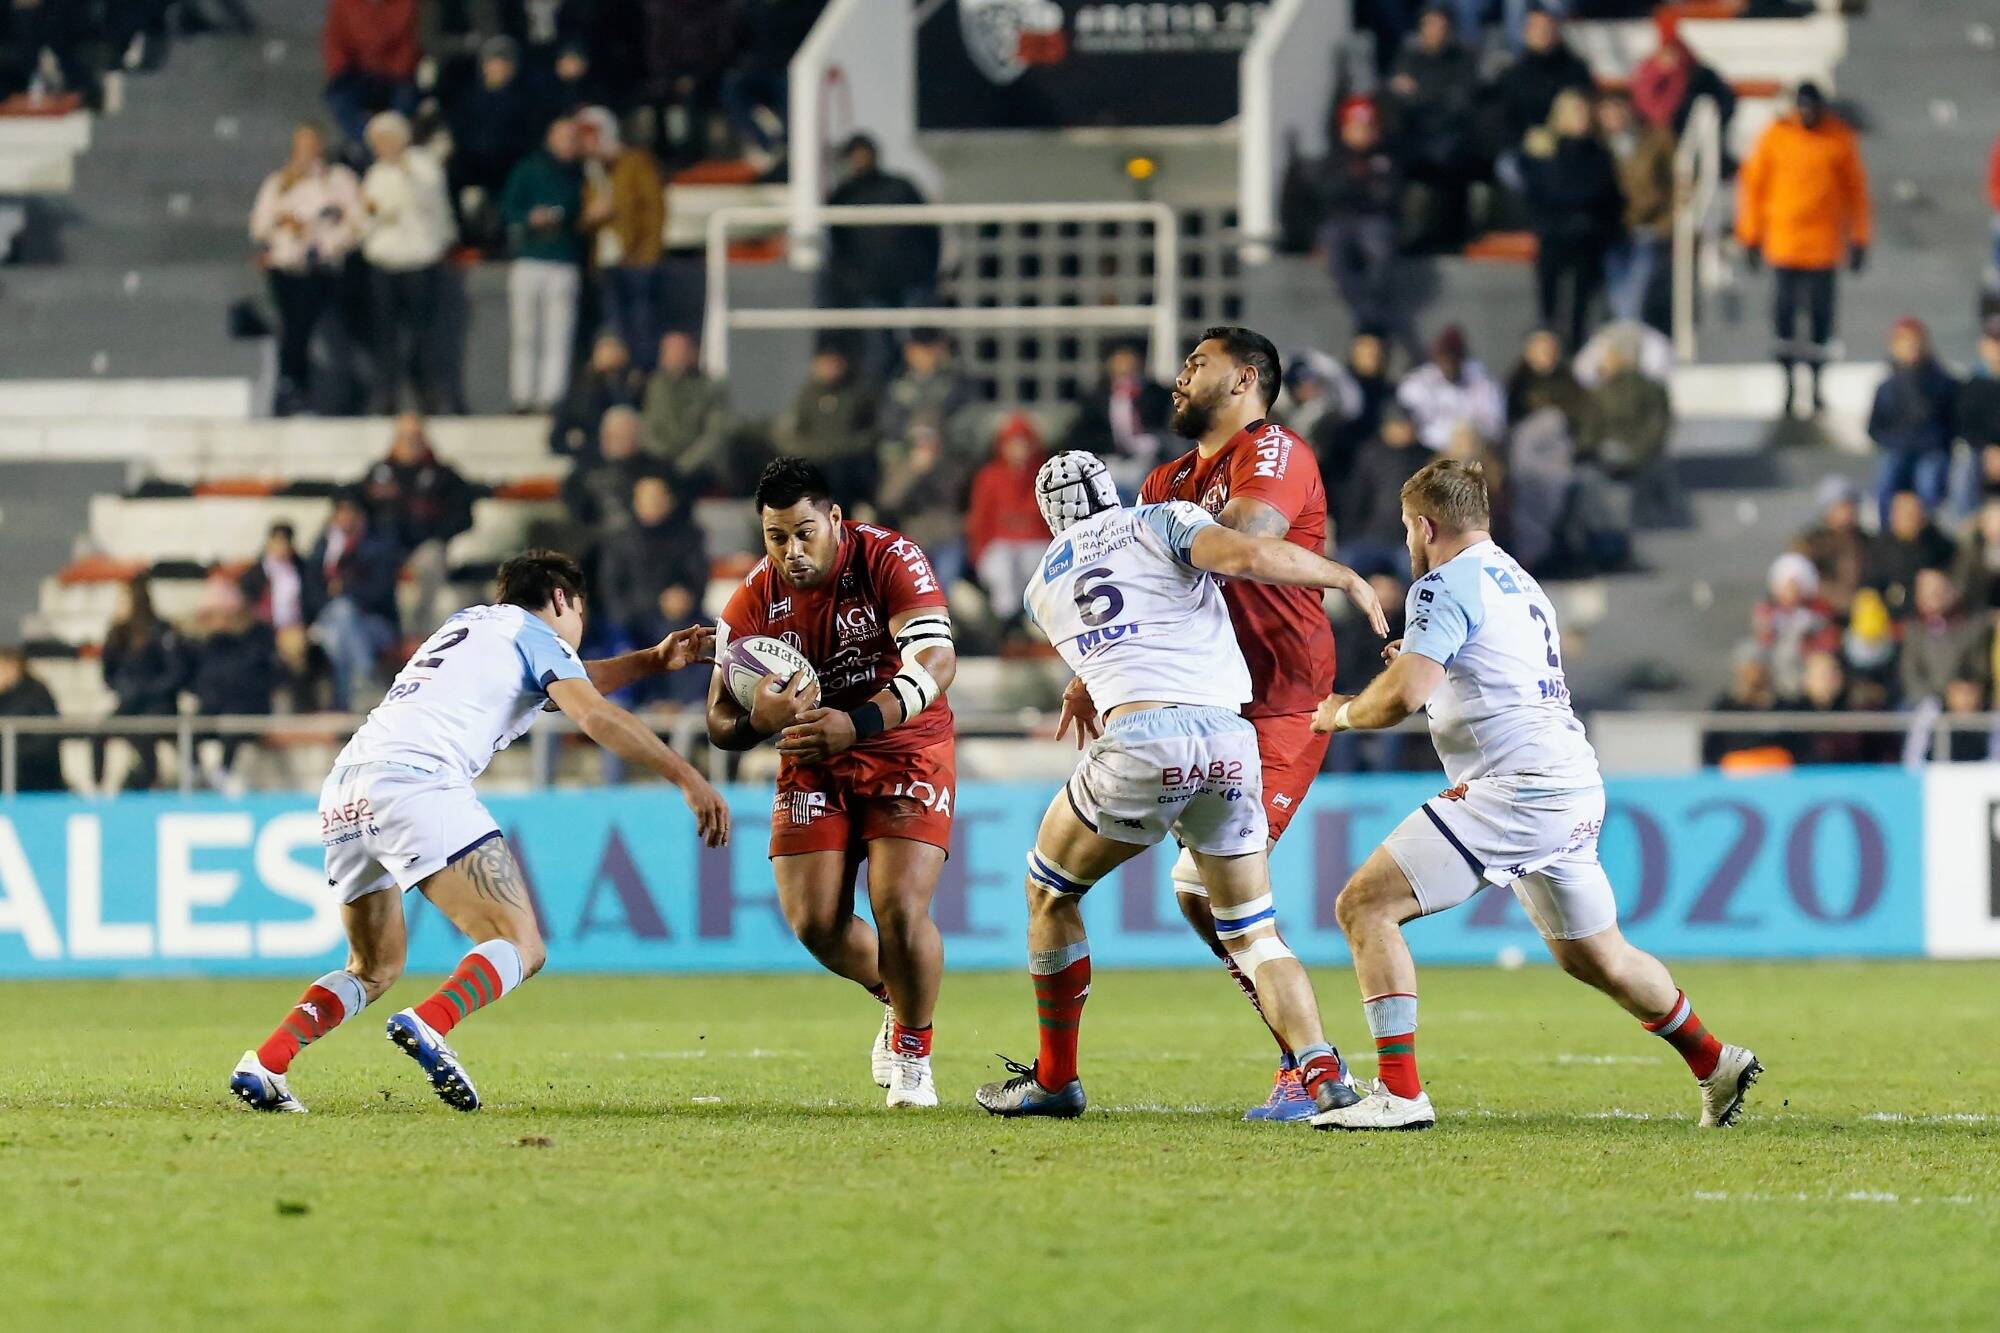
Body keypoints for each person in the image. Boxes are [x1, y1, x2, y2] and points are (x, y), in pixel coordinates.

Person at [1311, 457, 1761, 1130]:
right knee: (1594, 954)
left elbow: (1403, 697)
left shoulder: (1440, 585)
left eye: (1409, 529)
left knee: (1364, 904)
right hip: (1570, 780)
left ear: (1426, 526)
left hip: (1514, 787)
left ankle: (1400, 1092)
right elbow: (1483, 668)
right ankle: (1714, 1060)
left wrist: (1339, 712)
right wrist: (1424, 655)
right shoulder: (1517, 580)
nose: (1407, 542)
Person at [228, 551, 727, 1114]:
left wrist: (652, 661)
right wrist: (687, 775)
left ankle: (266, 1064)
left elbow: (563, 685)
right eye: (578, 612)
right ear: (562, 599)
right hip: (415, 784)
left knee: (373, 966)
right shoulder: (534, 632)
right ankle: (430, 1022)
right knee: (521, 945)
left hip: (345, 790)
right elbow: (591, 714)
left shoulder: (468, 625)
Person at [976, 450, 1383, 1119]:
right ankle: (1324, 1074)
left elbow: (1120, 630)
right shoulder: (1162, 517)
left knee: (1049, 890)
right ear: (1112, 491)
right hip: (1228, 738)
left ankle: (1055, 1078)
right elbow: (1249, 556)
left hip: (1139, 739)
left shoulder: (1040, 583)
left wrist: (1083, 686)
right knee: (1255, 933)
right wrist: (1340, 575)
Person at [1060, 326, 1382, 1121]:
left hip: (1280, 699)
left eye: (1197, 363)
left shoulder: (1273, 451)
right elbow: (1137, 585)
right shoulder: (1167, 477)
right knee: (1201, 895)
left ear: (1245, 379)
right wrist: (1085, 674)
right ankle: (1307, 1062)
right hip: (1207, 702)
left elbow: (1239, 543)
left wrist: (1334, 572)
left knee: (1211, 887)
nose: (1178, 376)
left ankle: (1312, 1068)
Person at [704, 459, 961, 1109]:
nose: (791, 551)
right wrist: (756, 719)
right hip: (814, 754)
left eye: (804, 532)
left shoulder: (889, 559)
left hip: (903, 745)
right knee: (816, 922)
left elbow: (937, 657)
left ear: (836, 520)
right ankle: (895, 996)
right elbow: (718, 716)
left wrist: (860, 721)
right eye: (776, 536)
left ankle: (913, 1050)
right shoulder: (752, 598)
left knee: (898, 906)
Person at [1734, 83, 1871, 420]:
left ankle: (1817, 384)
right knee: (1784, 320)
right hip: (1784, 246)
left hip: (1823, 248)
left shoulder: (1838, 139)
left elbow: (1857, 192)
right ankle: (1788, 385)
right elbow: (1754, 187)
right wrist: (1750, 236)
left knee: (1820, 321)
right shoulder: (1776, 137)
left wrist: (1860, 239)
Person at [249, 124, 363, 416]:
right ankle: (292, 387)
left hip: (319, 267)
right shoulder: (279, 182)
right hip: (285, 266)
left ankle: (296, 386)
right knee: (291, 328)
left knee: (302, 327)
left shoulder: (338, 180)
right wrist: (285, 223)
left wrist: (321, 241)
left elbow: (354, 224)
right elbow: (259, 226)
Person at [360, 111, 462, 415]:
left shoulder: (422, 165)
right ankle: (386, 396)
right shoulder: (376, 173)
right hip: (385, 263)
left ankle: (429, 394)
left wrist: (405, 171)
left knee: (424, 335)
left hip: (420, 261)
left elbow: (431, 201)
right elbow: (366, 215)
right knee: (385, 337)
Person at [821, 133, 941, 378]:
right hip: (871, 289)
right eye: (855, 154)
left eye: (864, 153)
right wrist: (855, 281)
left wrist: (928, 271)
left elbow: (930, 232)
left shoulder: (901, 188)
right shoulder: (843, 197)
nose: (860, 159)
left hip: (912, 282)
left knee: (921, 349)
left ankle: (916, 400)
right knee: (879, 352)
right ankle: (883, 407)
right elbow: (836, 248)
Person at [1521, 89, 1623, 355]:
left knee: (1581, 308)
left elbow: (1602, 193)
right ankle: (1547, 356)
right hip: (1554, 236)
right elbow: (1544, 193)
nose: (1582, 118)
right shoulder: (1544, 152)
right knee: (1548, 308)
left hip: (1587, 240)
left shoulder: (1598, 154)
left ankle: (1575, 355)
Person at [596, 476, 710, 705]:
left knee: (707, 636)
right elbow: (610, 591)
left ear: (670, 500)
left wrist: (685, 596)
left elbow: (697, 579)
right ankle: (654, 700)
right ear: (635, 501)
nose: (653, 503)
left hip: (680, 616)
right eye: (647, 498)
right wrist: (653, 603)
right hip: (632, 619)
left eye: (659, 497)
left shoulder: (689, 536)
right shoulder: (618, 541)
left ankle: (688, 705)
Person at [500, 117, 586, 413]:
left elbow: (581, 211)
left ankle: (552, 396)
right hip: (529, 258)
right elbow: (508, 208)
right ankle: (523, 395)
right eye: (563, 138)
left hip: (563, 259)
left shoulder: (580, 173)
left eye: (573, 139)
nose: (568, 145)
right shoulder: (529, 169)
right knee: (525, 332)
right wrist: (529, 218)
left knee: (559, 332)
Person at [576, 107, 667, 371]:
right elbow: (582, 216)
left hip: (637, 258)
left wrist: (648, 253)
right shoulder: (588, 172)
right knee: (613, 328)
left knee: (642, 325)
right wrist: (590, 217)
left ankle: (642, 379)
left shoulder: (634, 163)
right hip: (604, 261)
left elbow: (653, 209)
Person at [1384, 6, 1480, 252]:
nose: (1435, 31)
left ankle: (1451, 237)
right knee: (1391, 161)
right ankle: (1402, 234)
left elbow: (1461, 101)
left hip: (1451, 136)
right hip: (1413, 135)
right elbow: (1396, 96)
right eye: (1430, 25)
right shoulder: (1408, 55)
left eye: (1440, 25)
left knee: (1452, 161)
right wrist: (1431, 96)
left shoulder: (1462, 57)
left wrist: (1419, 93)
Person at [1319, 99, 1404, 338]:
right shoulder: (1335, 158)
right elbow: (1329, 194)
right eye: (1356, 128)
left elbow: (1388, 196)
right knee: (1335, 255)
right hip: (1340, 221)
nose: (1361, 134)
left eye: (1366, 128)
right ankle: (1369, 316)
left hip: (1374, 219)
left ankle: (1369, 316)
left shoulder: (1386, 158)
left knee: (1379, 251)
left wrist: (1358, 189)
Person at [311, 495, 404, 709]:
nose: (345, 519)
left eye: (350, 513)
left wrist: (345, 590)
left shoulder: (379, 546)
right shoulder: (324, 548)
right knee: (339, 622)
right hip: (331, 620)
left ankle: (342, 704)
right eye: (340, 513)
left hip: (375, 623)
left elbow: (379, 592)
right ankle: (365, 680)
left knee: (338, 631)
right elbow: (312, 593)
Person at [447, 37, 538, 248]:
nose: (497, 68)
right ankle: (463, 236)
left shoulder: (523, 100)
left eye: (503, 63)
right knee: (453, 173)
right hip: (473, 158)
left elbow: (527, 135)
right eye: (492, 63)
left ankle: (499, 238)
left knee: (510, 181)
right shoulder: (469, 97)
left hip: (507, 160)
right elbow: (460, 130)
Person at [96, 575, 185, 791]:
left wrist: (147, 689)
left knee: (144, 731)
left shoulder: (161, 631)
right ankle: (97, 786)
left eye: (123, 600)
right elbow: (108, 675)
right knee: (97, 734)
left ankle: (151, 782)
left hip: (159, 705)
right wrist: (125, 688)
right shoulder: (117, 636)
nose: (118, 606)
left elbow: (175, 672)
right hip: (130, 704)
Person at [1867, 317, 1959, 522]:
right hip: (1898, 448)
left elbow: (1952, 422)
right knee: (1886, 480)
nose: (1911, 347)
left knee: (1928, 481)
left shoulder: (1942, 383)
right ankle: (1886, 533)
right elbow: (1875, 428)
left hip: (1931, 449)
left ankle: (1928, 530)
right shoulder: (1887, 388)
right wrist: (1895, 441)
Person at [964, 413, 1049, 635]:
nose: (1019, 449)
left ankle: (1036, 629)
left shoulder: (1045, 474)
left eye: (1024, 444)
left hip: (1035, 544)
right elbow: (979, 521)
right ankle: (1008, 628)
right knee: (1003, 568)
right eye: (1013, 444)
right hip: (1000, 546)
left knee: (1037, 568)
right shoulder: (989, 476)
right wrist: (978, 553)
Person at [1597, 91, 1674, 327]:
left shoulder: (1654, 140)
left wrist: (1666, 222)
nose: (1614, 117)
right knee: (1618, 294)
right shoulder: (1596, 146)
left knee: (1634, 296)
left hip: (1648, 228)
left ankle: (1629, 345)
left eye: (1618, 109)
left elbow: (1673, 182)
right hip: (1612, 230)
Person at [1062, 341, 1174, 490]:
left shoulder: (1159, 394)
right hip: (1108, 462)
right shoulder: (1095, 397)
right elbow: (1081, 435)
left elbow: (1172, 427)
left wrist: (1155, 442)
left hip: (1152, 462)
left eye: (1130, 358)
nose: (1126, 364)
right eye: (1120, 359)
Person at [775, 345, 878, 502]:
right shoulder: (806, 395)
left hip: (848, 465)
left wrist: (849, 447)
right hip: (815, 463)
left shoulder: (857, 394)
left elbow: (872, 431)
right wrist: (811, 450)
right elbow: (792, 432)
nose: (830, 368)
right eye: (825, 363)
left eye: (834, 363)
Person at [1490, 6, 1595, 158]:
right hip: (1527, 151)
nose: (1541, 33)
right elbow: (1505, 121)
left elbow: (1586, 113)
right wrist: (1527, 140)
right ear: (1525, 33)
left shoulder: (1576, 70)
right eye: (1535, 28)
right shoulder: (1513, 75)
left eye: (1546, 27)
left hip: (1572, 149)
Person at [640, 330, 736, 489]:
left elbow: (715, 434)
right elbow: (647, 427)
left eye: (679, 351)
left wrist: (684, 464)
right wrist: (663, 458)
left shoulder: (711, 388)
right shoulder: (653, 386)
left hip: (700, 469)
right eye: (668, 351)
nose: (674, 357)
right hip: (660, 464)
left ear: (693, 353)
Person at [1340, 403, 1430, 571]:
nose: (1406, 430)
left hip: (1406, 540)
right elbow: (1356, 498)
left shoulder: (1425, 457)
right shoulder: (1370, 454)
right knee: (1345, 564)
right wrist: (1349, 534)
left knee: (1417, 572)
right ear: (1386, 427)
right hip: (1370, 536)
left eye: (1409, 425)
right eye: (1400, 424)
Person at [322, 0, 418, 151]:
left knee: (406, 98)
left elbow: (409, 43)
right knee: (339, 97)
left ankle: (394, 146)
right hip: (355, 72)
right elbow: (334, 40)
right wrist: (343, 71)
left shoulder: (406, 4)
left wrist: (395, 68)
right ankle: (371, 148)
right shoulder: (344, 4)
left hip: (394, 75)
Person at [1629, 13, 1735, 146]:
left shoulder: (1696, 73)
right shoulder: (1649, 71)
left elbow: (1723, 101)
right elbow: (1648, 102)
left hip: (1687, 132)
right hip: (1655, 128)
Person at [1398, 325, 1505, 451]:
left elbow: (1496, 427)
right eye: (1444, 358)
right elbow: (1416, 428)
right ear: (1435, 358)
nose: (1449, 364)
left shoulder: (1483, 381)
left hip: (1475, 451)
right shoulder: (1417, 384)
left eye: (1453, 358)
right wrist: (1451, 436)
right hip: (1429, 454)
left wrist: (1470, 432)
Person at [1754, 551, 1838, 700]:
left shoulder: (1817, 610)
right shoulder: (1767, 611)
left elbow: (1828, 640)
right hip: (1776, 660)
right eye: (1786, 587)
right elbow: (1762, 639)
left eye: (1794, 586)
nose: (1790, 592)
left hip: (1806, 661)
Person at [551, 332, 648, 456]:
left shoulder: (635, 385)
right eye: (603, 348)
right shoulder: (580, 390)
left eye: (613, 348)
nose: (608, 354)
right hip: (591, 456)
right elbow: (557, 439)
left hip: (631, 456)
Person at [1864, 490, 1955, 619]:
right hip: (1892, 616)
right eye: (1906, 514)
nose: (1913, 518)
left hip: (1931, 616)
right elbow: (1871, 587)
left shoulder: (1937, 543)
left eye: (1916, 513)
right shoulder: (1879, 548)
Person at [878, 329, 974, 448]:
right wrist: (913, 437)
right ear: (908, 353)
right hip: (906, 448)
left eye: (930, 351)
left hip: (944, 449)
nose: (925, 356)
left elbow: (963, 419)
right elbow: (889, 422)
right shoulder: (898, 386)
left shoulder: (954, 384)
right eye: (919, 351)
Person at [1900, 568, 1980, 708]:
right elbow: (1910, 672)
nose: (1934, 595)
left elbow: (1977, 668)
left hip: (1962, 701)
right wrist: (1929, 699)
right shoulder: (1913, 630)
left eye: (1938, 589)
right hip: (1922, 702)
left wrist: (1961, 691)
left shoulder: (1972, 626)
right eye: (1927, 591)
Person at [1794, 476, 1868, 617]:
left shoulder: (1865, 541)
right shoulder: (1811, 542)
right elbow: (1801, 579)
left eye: (1853, 505)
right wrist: (1842, 598)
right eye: (1844, 506)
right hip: (1821, 615)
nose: (1850, 511)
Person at [0, 646, 64, 792]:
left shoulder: (37, 694)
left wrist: (13, 752)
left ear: (12, 667)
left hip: (34, 778)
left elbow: (45, 739)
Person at [1504, 327, 1587, 433]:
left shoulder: (1568, 379)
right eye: (1542, 348)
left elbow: (1579, 410)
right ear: (1529, 351)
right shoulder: (1517, 382)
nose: (1548, 353)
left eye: (1552, 348)